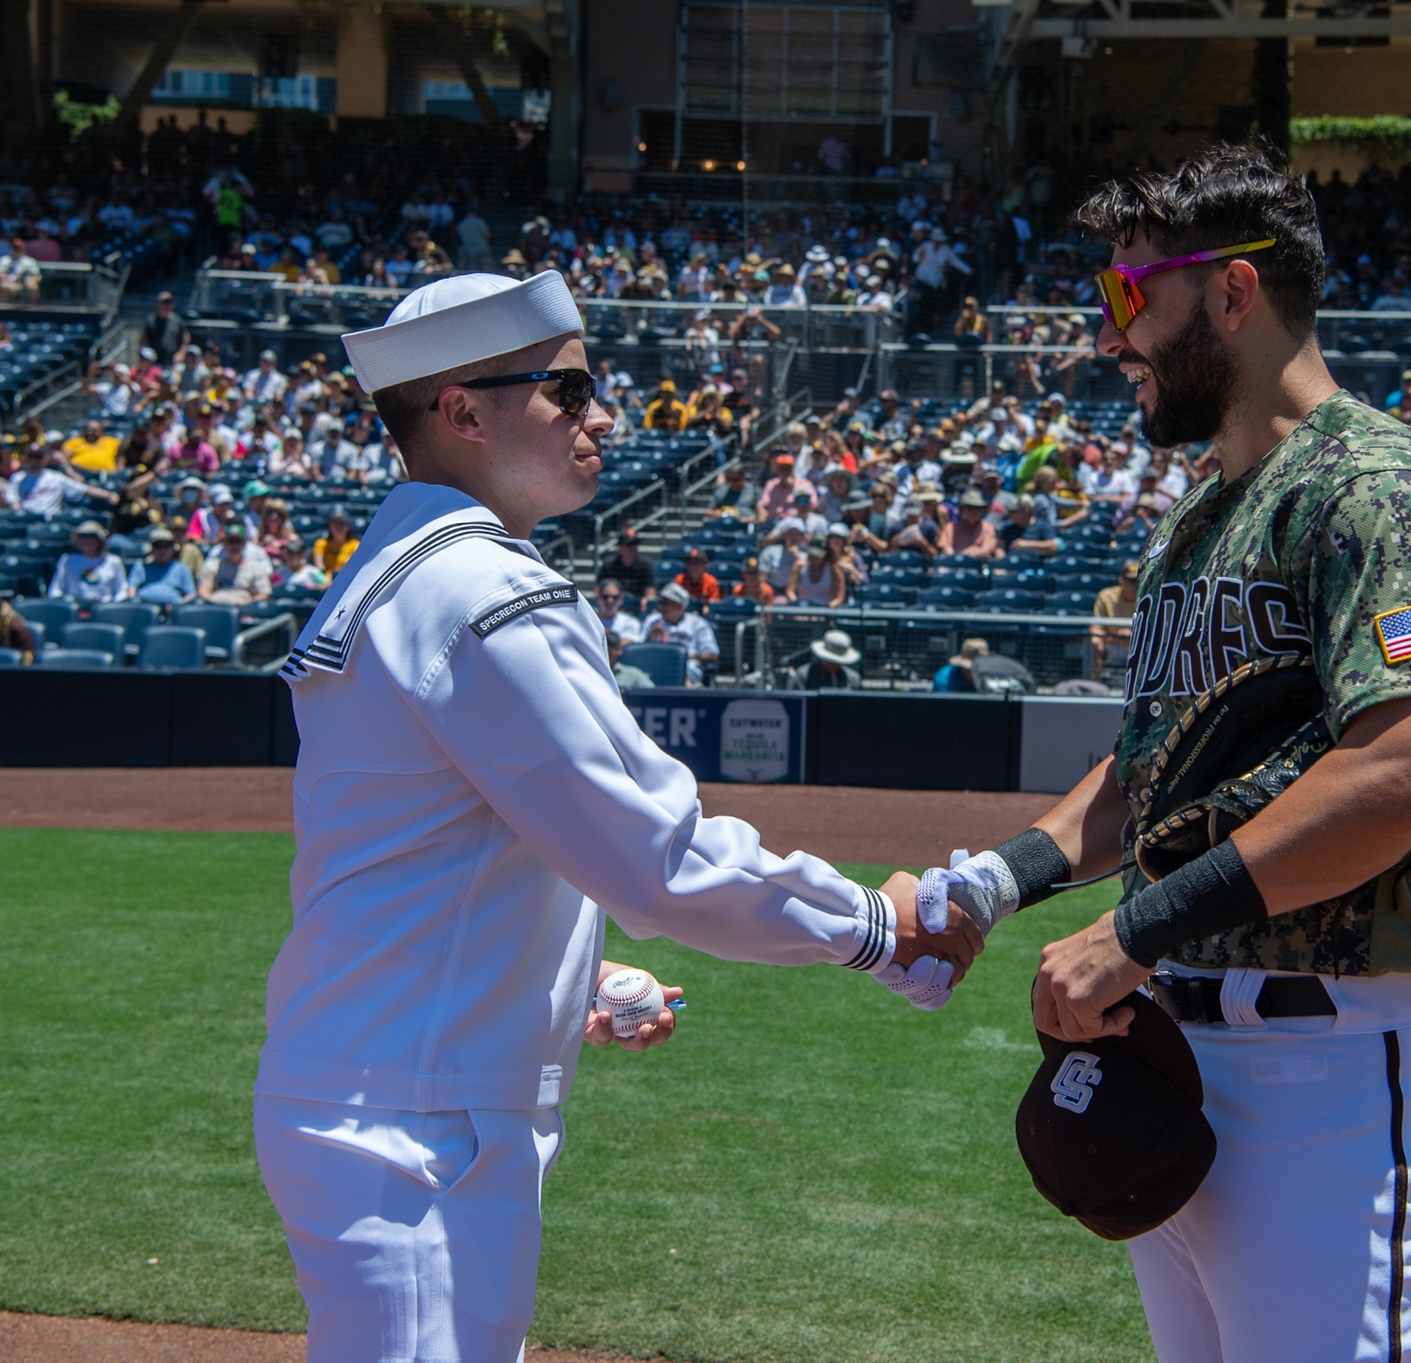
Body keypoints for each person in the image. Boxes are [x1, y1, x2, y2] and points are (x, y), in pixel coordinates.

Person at [262, 271, 979, 1363]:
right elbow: (657, 856)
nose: (603, 414)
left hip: (390, 1096)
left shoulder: (405, 567)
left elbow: (430, 851)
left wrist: (562, 981)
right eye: (570, 388)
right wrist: (875, 928)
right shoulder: (477, 586)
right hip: (413, 1126)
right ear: (461, 411)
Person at [917, 145, 1411, 1363]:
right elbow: (1151, 769)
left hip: (1330, 1066)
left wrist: (1133, 930)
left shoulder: (1373, 488)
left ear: (1232, 294)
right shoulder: (1206, 515)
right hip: (1182, 1049)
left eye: (1130, 297)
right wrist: (991, 885)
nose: (1108, 337)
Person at [639, 580, 721, 683]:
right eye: (661, 602)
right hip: (656, 663)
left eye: (666, 603)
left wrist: (688, 656)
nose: (662, 607)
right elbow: (637, 650)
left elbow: (713, 654)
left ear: (680, 606)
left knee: (685, 669)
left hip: (687, 665)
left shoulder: (698, 623)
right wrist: (651, 635)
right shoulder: (652, 621)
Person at [47, 521, 131, 603]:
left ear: (99, 540)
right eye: (81, 536)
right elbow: (55, 589)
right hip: (74, 608)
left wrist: (112, 607)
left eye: (89, 536)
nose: (84, 540)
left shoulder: (113, 561)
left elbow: (122, 590)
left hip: (103, 610)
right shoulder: (67, 560)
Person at [1090, 559, 1139, 682]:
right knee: (1095, 642)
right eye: (1131, 581)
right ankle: (1096, 684)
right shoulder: (1107, 596)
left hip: (1139, 646)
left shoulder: (1149, 596)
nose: (1135, 584)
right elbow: (1095, 628)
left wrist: (1133, 636)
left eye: (1138, 580)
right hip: (1112, 644)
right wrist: (1115, 636)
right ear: (1122, 579)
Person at [200, 524, 274, 605]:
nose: (234, 546)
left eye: (238, 542)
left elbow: (263, 594)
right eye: (231, 541)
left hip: (243, 609)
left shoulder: (255, 568)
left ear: (244, 544)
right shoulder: (213, 566)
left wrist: (247, 607)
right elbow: (204, 591)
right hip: (217, 609)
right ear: (224, 543)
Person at [129, 527, 198, 605]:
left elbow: (191, 594)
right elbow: (132, 592)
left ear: (172, 548)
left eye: (166, 545)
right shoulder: (140, 567)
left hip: (173, 612)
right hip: (143, 612)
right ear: (152, 549)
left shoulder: (182, 568)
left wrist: (178, 607)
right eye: (158, 546)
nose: (162, 550)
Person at [311, 505, 360, 578]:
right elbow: (319, 566)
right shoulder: (321, 543)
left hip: (347, 578)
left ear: (348, 526)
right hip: (326, 578)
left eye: (342, 523)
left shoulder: (355, 545)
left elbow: (353, 567)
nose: (338, 527)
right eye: (335, 523)